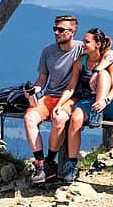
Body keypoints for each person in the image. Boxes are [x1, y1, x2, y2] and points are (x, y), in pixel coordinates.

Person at [24, 14, 82, 184]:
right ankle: (40, 164)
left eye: (61, 30)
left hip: (71, 97)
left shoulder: (81, 49)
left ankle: (50, 161)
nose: (56, 33)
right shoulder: (47, 52)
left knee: (59, 119)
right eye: (55, 29)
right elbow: (42, 80)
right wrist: (33, 90)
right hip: (49, 96)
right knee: (29, 117)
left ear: (73, 31)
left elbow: (107, 52)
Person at [66, 28, 113, 178]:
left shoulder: (108, 61)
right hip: (87, 101)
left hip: (108, 103)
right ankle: (72, 163)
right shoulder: (80, 62)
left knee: (103, 74)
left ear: (97, 44)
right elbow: (71, 87)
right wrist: (60, 105)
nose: (83, 44)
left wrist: (105, 100)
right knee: (75, 118)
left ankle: (97, 113)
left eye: (86, 41)